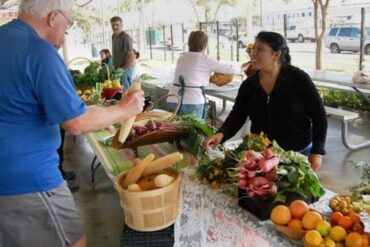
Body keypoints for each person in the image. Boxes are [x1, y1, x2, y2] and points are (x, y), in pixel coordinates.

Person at [0, 1, 145, 247]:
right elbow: (76, 123)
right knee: (74, 242)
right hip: (28, 180)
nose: (65, 35)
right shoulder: (39, 51)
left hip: (9, 177)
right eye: (68, 25)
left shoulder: (5, 38)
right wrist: (124, 109)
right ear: (53, 17)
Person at [204, 31, 327, 171]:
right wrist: (221, 134)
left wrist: (317, 151)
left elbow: (319, 116)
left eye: (259, 49)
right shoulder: (249, 85)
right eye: (253, 49)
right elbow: (237, 115)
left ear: (276, 54)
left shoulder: (298, 79)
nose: (253, 53)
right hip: (261, 156)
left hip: (297, 154)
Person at [166, 30, 249, 119]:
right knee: (194, 132)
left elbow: (190, 75)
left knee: (175, 131)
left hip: (173, 99)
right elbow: (229, 69)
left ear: (189, 43)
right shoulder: (205, 59)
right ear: (204, 45)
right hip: (193, 101)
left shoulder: (182, 58)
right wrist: (243, 68)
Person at [110, 16, 135, 90]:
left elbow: (131, 55)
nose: (115, 27)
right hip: (117, 69)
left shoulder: (125, 37)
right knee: (118, 91)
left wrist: (123, 69)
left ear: (121, 25)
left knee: (126, 91)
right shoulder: (114, 36)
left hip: (125, 70)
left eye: (117, 25)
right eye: (113, 25)